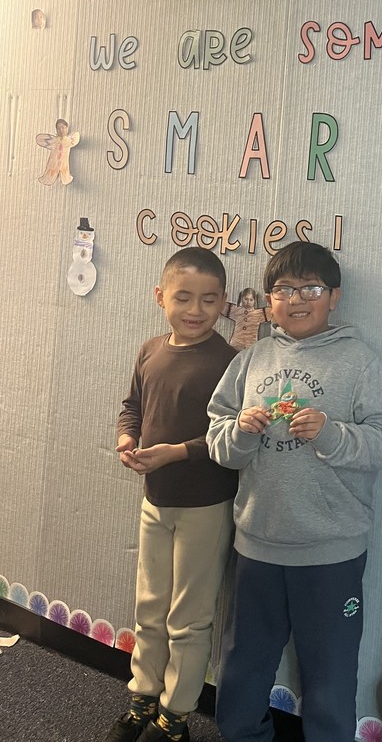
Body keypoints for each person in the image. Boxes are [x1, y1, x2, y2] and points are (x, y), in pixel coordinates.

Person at [207, 241, 382, 742]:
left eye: (311, 288)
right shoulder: (251, 358)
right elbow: (218, 439)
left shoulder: (359, 361)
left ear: (333, 296)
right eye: (283, 290)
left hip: (333, 552)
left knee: (331, 675)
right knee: (244, 664)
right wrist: (242, 432)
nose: (296, 299)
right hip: (257, 545)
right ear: (268, 301)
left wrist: (331, 433)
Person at [106, 248, 239, 742]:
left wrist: (176, 453)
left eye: (208, 299)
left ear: (223, 302)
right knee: (149, 605)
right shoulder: (149, 350)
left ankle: (175, 714)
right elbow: (131, 407)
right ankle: (142, 697)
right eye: (183, 297)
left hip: (206, 506)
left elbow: (231, 440)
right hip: (154, 500)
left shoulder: (229, 362)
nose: (195, 309)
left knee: (189, 616)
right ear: (160, 296)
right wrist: (126, 439)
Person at [221, 286, 270, 351]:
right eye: (246, 299)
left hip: (250, 345)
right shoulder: (236, 310)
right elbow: (220, 306)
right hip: (236, 344)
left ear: (255, 301)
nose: (248, 302)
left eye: (251, 300)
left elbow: (274, 312)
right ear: (241, 299)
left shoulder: (259, 313)